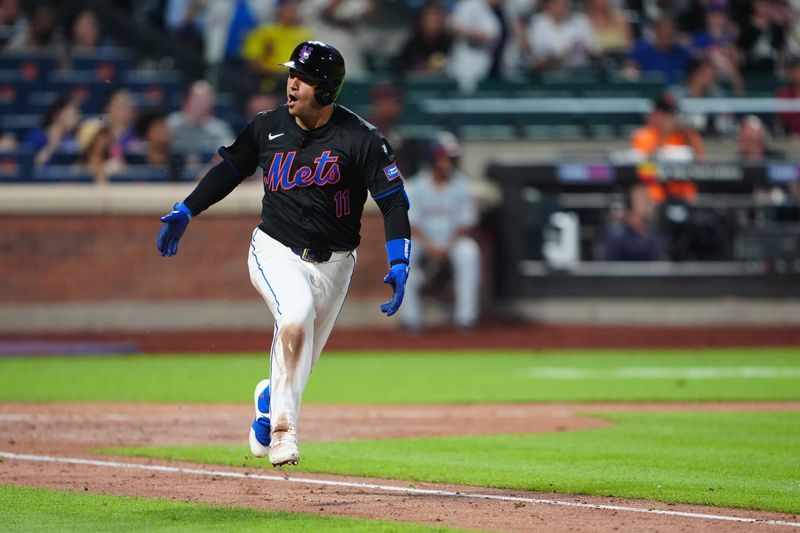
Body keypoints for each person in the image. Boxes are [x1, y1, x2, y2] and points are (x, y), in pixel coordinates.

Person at [156, 41, 412, 467]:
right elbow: (230, 170)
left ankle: (267, 402)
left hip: (336, 265)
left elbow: (393, 201)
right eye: (292, 74)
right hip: (275, 249)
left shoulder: (361, 138)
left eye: (304, 79)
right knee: (294, 317)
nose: (292, 83)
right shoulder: (267, 126)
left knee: (296, 368)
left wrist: (399, 257)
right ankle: (282, 434)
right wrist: (189, 207)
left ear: (326, 90)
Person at [401, 131, 480, 331]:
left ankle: (466, 317)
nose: (447, 163)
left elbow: (465, 223)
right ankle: (411, 319)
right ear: (431, 158)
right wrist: (431, 247)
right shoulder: (414, 186)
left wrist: (446, 246)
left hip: (452, 242)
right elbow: (412, 224)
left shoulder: (462, 186)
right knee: (402, 256)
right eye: (443, 158)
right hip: (422, 241)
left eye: (450, 158)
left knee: (469, 251)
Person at [167, 80, 236, 155]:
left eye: (207, 99)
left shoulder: (219, 128)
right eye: (199, 99)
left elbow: (231, 153)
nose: (203, 104)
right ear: (187, 100)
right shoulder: (171, 124)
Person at [604, 182, 663, 261]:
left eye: (649, 199)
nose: (649, 204)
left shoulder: (652, 234)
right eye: (644, 200)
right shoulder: (617, 235)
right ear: (631, 203)